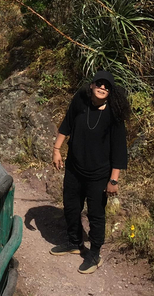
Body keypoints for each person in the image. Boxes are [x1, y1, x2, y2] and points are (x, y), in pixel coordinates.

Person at [49, 69, 130, 274]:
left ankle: (94, 253)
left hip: (98, 175)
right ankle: (74, 242)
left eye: (107, 86)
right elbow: (67, 123)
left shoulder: (114, 115)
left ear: (110, 91)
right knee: (71, 207)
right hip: (74, 169)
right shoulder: (80, 100)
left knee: (95, 215)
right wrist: (56, 149)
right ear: (92, 85)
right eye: (100, 84)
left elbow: (119, 149)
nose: (103, 88)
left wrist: (113, 180)